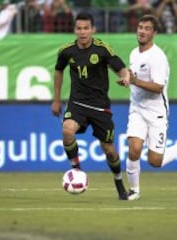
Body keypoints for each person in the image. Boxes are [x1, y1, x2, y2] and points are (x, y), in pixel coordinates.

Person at [51, 11, 130, 200]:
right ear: (74, 30)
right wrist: (56, 99)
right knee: (67, 131)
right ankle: (76, 170)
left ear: (93, 30)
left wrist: (125, 77)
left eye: (86, 28)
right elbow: (58, 71)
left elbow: (121, 68)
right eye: (79, 28)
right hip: (77, 103)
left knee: (109, 150)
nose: (82, 32)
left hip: (100, 106)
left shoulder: (102, 49)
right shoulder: (66, 51)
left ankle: (119, 182)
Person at [125, 14, 177, 201]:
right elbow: (134, 78)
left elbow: (158, 88)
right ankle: (134, 191)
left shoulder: (157, 57)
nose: (142, 31)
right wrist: (128, 81)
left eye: (147, 28)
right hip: (137, 109)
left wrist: (135, 81)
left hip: (156, 112)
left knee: (155, 161)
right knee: (133, 149)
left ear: (154, 33)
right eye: (140, 27)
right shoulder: (134, 53)